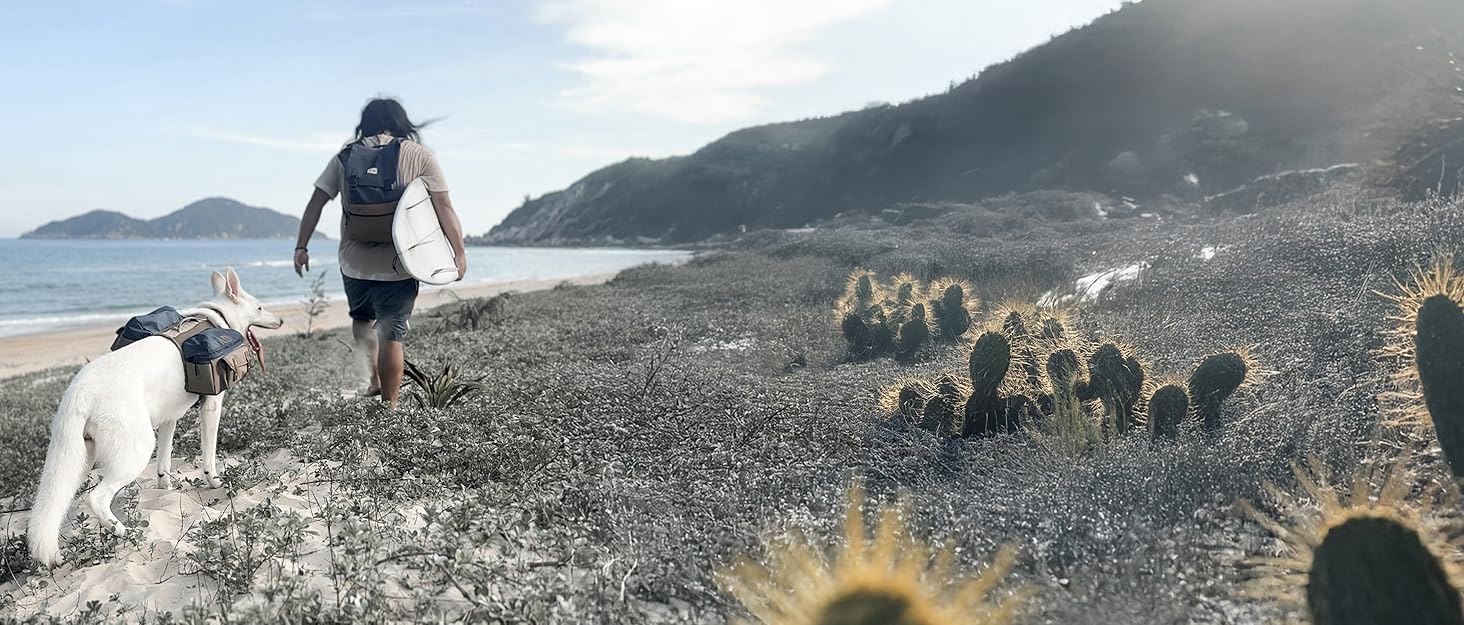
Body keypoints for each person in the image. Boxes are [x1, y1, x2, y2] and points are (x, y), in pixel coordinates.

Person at [293, 97, 468, 409]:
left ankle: (373, 380)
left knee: (362, 319)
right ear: (402, 122)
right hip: (401, 262)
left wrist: (301, 246)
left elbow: (316, 202)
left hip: (354, 262)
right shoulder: (419, 155)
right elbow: (444, 208)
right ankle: (389, 407)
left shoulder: (346, 156)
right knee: (391, 333)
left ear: (366, 123)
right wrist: (458, 253)